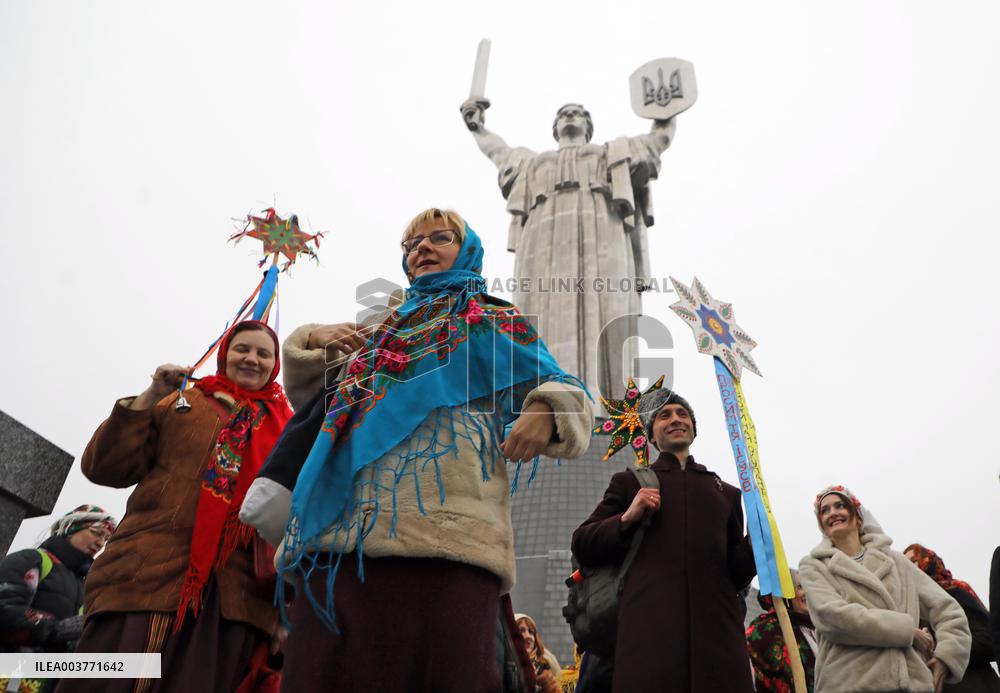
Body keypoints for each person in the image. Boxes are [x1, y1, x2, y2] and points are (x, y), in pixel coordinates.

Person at [241, 208, 594, 691]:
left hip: (450, 542)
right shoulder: (382, 329)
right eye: (412, 244)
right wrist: (315, 339)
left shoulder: (493, 322)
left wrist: (548, 409)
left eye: (439, 238)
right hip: (342, 540)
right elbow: (313, 404)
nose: (422, 248)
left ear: (467, 251)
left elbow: (567, 390)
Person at [58, 320, 293, 693]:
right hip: (147, 577)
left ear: (275, 364)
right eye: (242, 349)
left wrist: (286, 613)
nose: (252, 359)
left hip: (235, 600)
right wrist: (152, 395)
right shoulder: (183, 402)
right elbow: (105, 468)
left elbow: (292, 523)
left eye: (263, 353)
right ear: (224, 356)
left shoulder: (287, 429)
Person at [460, 98, 675, 402]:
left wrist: (666, 113)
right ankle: (540, 404)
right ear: (555, 127)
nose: (570, 117)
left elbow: (656, 143)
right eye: (564, 114)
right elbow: (498, 152)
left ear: (588, 127)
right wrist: (479, 128)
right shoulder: (534, 162)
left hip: (603, 233)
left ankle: (608, 406)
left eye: (578, 113)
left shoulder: (609, 153)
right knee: (535, 315)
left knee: (610, 307)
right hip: (542, 242)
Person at [571, 387, 756, 693]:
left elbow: (735, 573)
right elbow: (583, 543)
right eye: (664, 415)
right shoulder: (630, 482)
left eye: (682, 414)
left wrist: (755, 548)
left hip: (718, 642)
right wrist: (627, 517)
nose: (675, 419)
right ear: (652, 436)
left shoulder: (726, 493)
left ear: (693, 430)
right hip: (648, 639)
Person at [798, 486, 971, 693]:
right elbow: (832, 616)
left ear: (858, 517)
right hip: (848, 684)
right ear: (822, 526)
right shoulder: (814, 565)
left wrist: (947, 657)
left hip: (912, 684)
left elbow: (949, 611)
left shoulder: (896, 561)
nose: (832, 512)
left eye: (840, 506)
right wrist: (906, 631)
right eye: (824, 510)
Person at [0, 506, 116, 693]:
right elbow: (4, 609)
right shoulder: (32, 560)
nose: (101, 542)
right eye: (96, 532)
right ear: (71, 528)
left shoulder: (86, 587)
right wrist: (56, 629)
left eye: (106, 538)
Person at [904, 544, 999, 692]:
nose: (907, 568)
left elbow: (988, 639)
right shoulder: (910, 608)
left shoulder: (954, 592)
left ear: (929, 561)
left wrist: (942, 649)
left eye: (913, 561)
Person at [745, 569, 818, 693]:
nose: (806, 592)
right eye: (800, 587)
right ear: (787, 594)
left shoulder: (822, 628)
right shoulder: (769, 629)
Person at [515, 613, 561, 693]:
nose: (528, 636)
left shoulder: (545, 667)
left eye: (531, 632)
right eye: (522, 631)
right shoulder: (503, 665)